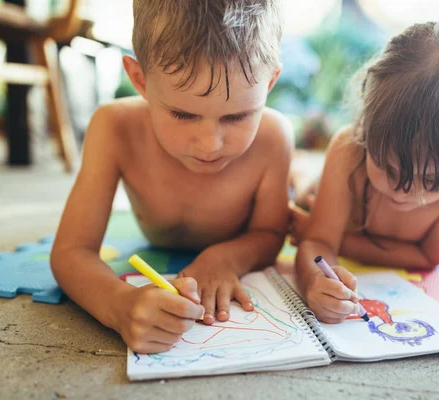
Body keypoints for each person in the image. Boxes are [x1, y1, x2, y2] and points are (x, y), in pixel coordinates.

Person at [51, 0, 292, 352]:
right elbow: (71, 251)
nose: (210, 144)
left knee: (300, 209)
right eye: (183, 114)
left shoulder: (274, 137)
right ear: (139, 79)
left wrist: (225, 258)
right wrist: (120, 306)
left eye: (237, 116)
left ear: (269, 82)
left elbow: (271, 233)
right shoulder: (114, 127)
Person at [292, 22, 439, 323]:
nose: (402, 190)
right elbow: (319, 244)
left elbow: (427, 258)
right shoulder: (351, 149)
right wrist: (314, 282)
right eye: (388, 167)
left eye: (429, 179)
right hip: (320, 193)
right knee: (302, 190)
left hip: (340, 229)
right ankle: (298, 171)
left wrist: (333, 239)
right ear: (368, 125)